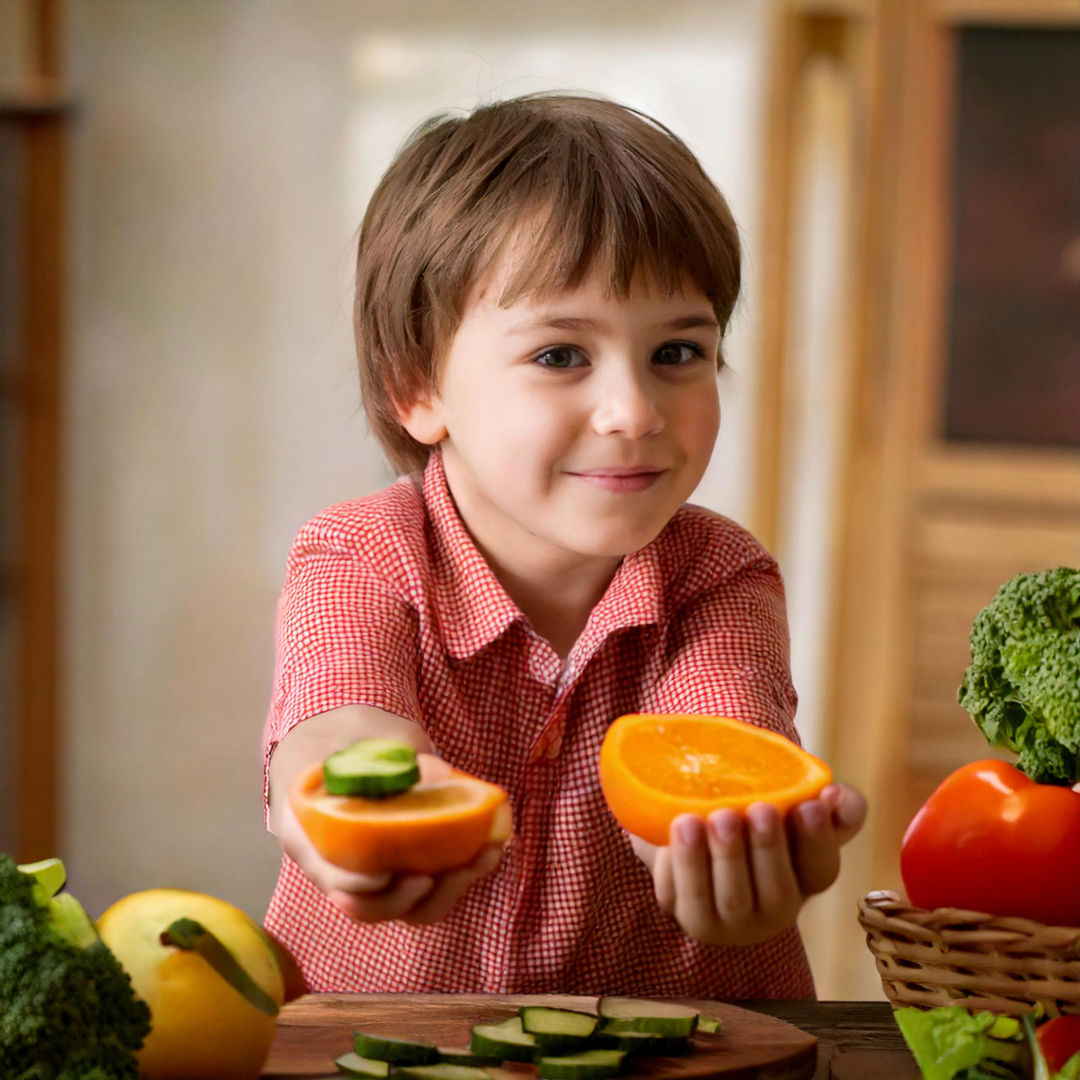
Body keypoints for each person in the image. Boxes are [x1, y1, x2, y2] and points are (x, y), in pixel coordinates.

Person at [262, 93, 866, 998]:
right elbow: (338, 721)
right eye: (560, 356)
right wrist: (350, 807)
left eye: (677, 352)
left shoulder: (721, 576)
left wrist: (737, 843)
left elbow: (717, 736)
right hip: (372, 1046)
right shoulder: (358, 556)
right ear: (415, 387)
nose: (634, 412)